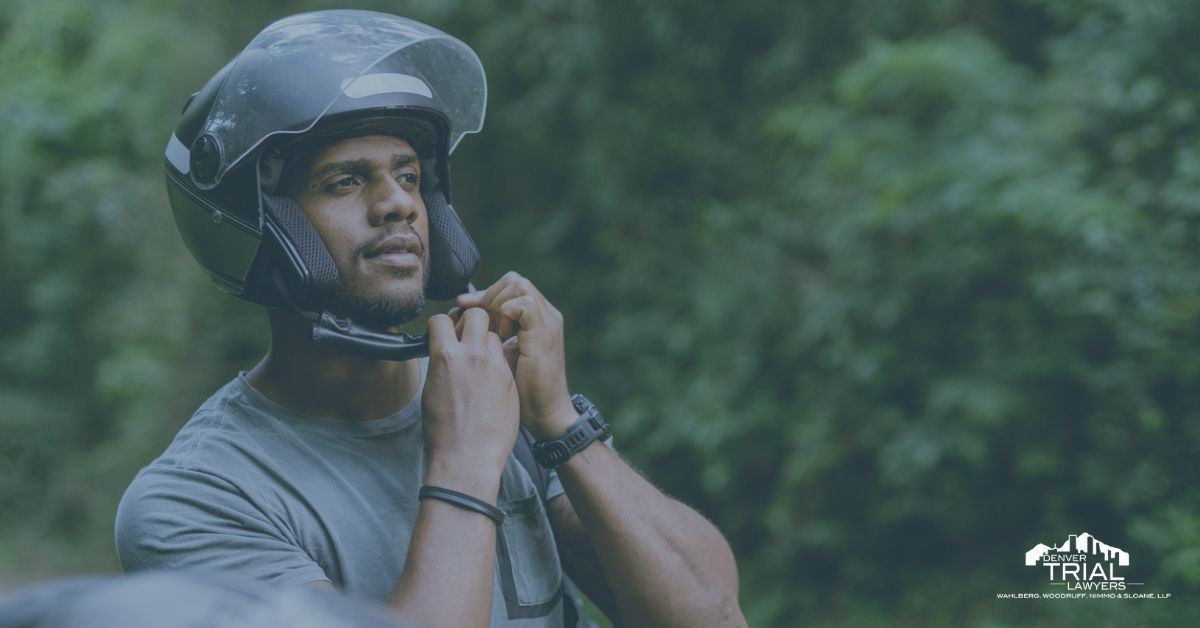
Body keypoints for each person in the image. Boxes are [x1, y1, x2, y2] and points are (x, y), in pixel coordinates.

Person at [115, 10, 745, 628]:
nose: (397, 203)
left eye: (410, 175)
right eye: (344, 181)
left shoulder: (497, 396)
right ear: (263, 227)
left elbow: (711, 618)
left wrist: (561, 423)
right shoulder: (196, 500)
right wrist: (466, 458)